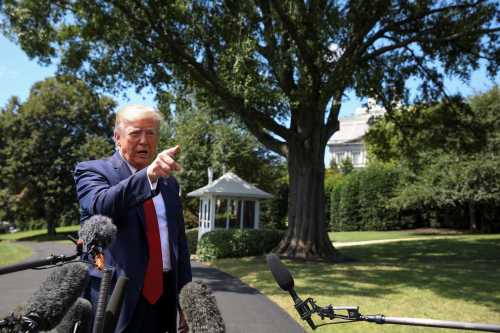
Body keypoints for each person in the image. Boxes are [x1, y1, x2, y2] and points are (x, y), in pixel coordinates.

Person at [74, 104, 192, 333]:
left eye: (151, 133)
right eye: (135, 133)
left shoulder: (168, 184)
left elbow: (179, 244)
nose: (144, 141)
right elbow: (101, 204)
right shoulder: (92, 171)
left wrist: (185, 300)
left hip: (163, 299)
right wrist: (147, 176)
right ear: (117, 137)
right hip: (114, 299)